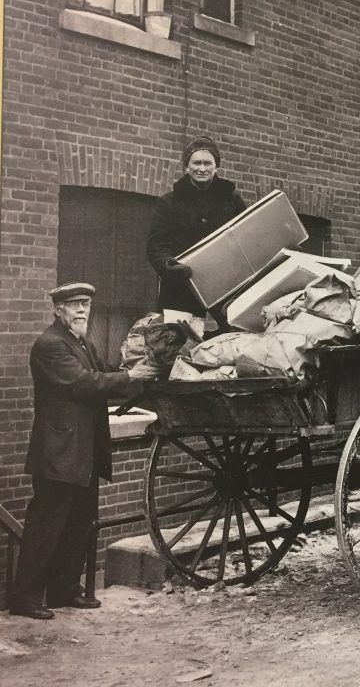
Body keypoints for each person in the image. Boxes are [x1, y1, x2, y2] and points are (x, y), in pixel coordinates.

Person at [10, 283, 160, 620]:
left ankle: (64, 590)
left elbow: (103, 370)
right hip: (58, 453)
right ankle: (25, 597)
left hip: (83, 453)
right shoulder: (50, 345)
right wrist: (130, 377)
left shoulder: (82, 342)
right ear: (58, 310)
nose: (82, 311)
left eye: (86, 304)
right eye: (74, 305)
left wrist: (136, 365)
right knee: (46, 527)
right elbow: (83, 383)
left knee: (78, 523)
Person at [146, 136, 246, 323]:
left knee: (233, 340)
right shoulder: (169, 203)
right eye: (196, 163)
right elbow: (156, 246)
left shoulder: (232, 201)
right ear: (186, 167)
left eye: (207, 163)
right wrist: (169, 265)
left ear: (216, 167)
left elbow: (247, 236)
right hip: (181, 290)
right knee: (174, 342)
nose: (202, 168)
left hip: (227, 289)